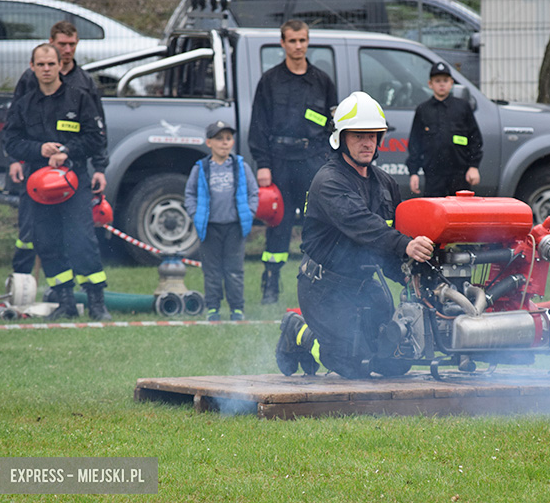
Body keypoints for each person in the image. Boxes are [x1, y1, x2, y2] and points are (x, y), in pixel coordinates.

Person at [274, 91, 435, 379]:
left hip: (365, 284)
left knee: (396, 361)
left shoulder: (385, 184)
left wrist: (410, 274)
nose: (367, 143)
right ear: (340, 138)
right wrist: (406, 245)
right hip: (324, 289)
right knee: (354, 366)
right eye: (359, 136)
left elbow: (389, 240)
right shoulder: (329, 181)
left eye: (372, 136)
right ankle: (298, 330)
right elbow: (363, 225)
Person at [2, 43, 110, 320]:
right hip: (38, 186)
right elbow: (11, 141)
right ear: (32, 67)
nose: (47, 69)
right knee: (46, 242)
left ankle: (97, 302)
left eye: (51, 64)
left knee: (81, 240)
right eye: (41, 64)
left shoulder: (79, 98)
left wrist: (67, 151)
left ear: (61, 65)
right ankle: (65, 301)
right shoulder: (25, 105)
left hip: (73, 182)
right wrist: (39, 150)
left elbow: (95, 138)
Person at [248, 19, 337, 305]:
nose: (298, 46)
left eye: (302, 40)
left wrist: (328, 162)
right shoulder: (270, 80)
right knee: (279, 226)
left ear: (308, 42)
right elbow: (258, 125)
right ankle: (270, 284)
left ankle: (316, 285)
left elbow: (333, 127)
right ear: (283, 43)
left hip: (313, 163)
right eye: (292, 41)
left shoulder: (322, 81)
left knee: (316, 224)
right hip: (279, 163)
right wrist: (263, 164)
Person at [184, 121, 260, 322]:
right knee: (212, 270)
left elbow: (253, 192)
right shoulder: (201, 168)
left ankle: (237, 308)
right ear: (209, 142)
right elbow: (190, 194)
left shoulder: (240, 166)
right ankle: (213, 308)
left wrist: (249, 212)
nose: (224, 143)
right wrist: (195, 214)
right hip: (210, 227)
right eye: (219, 139)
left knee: (234, 270)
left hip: (235, 227)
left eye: (228, 138)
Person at [406, 61, 483, 197]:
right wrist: (413, 173)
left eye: (445, 81)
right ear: (430, 84)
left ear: (451, 83)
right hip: (433, 176)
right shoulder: (423, 110)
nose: (442, 84)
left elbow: (475, 138)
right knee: (434, 209)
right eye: (437, 81)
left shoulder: (463, 107)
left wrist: (473, 166)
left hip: (460, 174)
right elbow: (415, 144)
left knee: (459, 209)